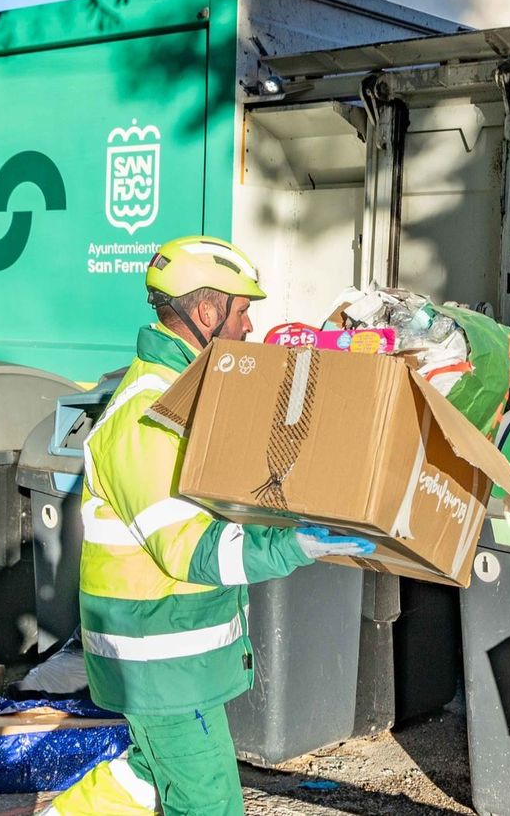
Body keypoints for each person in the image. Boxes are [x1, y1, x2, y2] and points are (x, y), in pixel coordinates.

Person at [46, 235, 374, 816]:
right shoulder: (148, 415)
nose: (249, 326)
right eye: (242, 310)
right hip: (157, 661)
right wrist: (291, 545)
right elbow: (189, 549)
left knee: (147, 777)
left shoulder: (187, 396)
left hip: (168, 655)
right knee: (209, 802)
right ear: (206, 313)